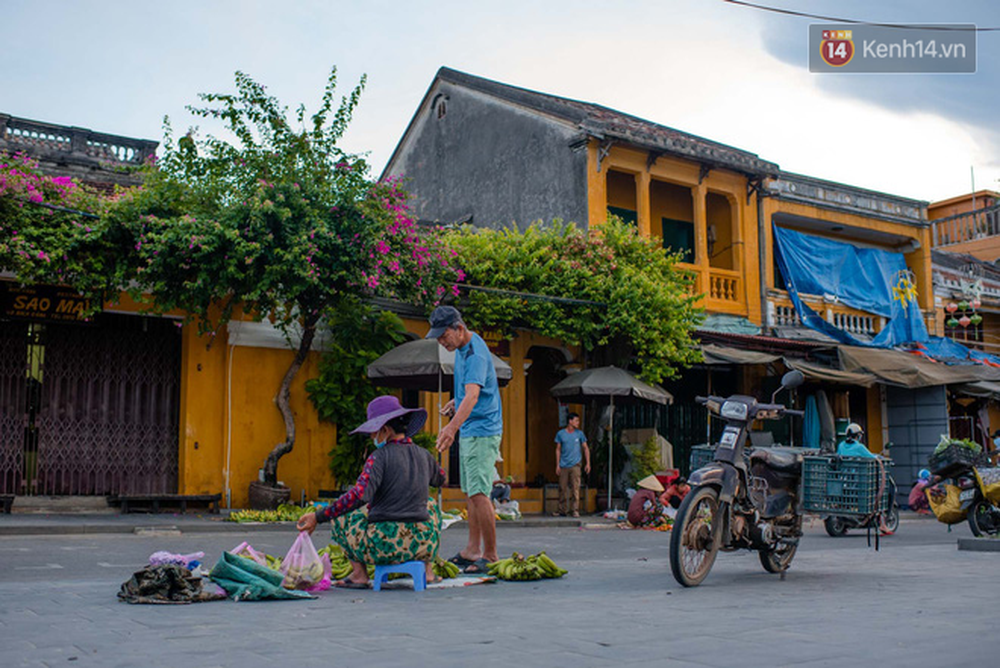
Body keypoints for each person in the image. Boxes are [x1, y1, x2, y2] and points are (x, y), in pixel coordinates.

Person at [297, 395, 445, 589]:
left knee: (344, 513)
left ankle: (359, 574)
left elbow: (359, 495)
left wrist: (319, 516)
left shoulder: (379, 457)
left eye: (373, 432)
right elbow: (441, 479)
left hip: (385, 545)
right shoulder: (424, 455)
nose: (371, 437)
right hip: (422, 543)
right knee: (431, 506)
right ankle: (428, 572)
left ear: (385, 430)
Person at [429, 305, 503, 574]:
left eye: (443, 335)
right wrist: (455, 402)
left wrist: (450, 428)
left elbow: (473, 396)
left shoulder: (474, 355)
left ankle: (491, 554)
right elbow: (470, 392)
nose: (441, 341)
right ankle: (473, 549)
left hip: (482, 430)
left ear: (459, 328)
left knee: (481, 492)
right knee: (471, 491)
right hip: (472, 428)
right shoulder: (462, 348)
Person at [836, 423, 893, 534]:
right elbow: (872, 458)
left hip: (845, 480)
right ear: (857, 436)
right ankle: (882, 524)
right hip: (859, 481)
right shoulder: (859, 447)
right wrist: (880, 457)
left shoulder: (841, 445)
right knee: (881, 493)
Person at [554, 412, 591, 517]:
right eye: (576, 421)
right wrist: (557, 465)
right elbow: (558, 450)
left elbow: (585, 448)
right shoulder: (561, 434)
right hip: (563, 465)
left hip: (576, 465)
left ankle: (575, 510)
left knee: (575, 488)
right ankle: (562, 510)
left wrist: (588, 463)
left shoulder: (580, 434)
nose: (578, 423)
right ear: (570, 421)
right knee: (562, 488)